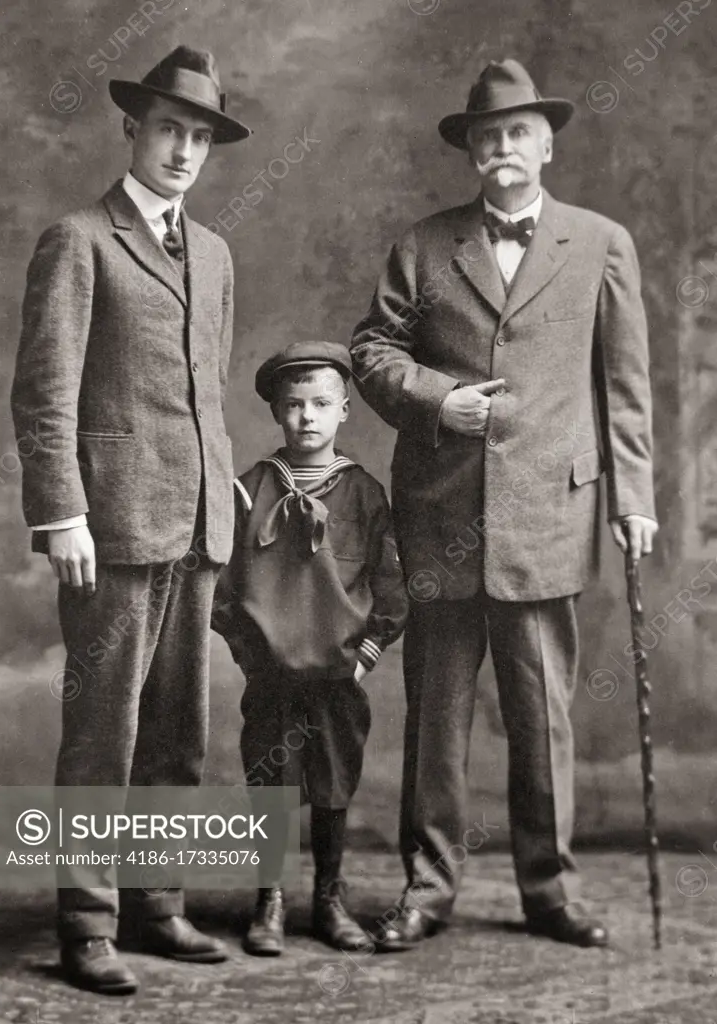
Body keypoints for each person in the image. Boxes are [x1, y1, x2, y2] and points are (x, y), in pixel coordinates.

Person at [350, 58, 658, 952]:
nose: (499, 148)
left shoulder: (600, 241)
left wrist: (631, 497)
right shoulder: (423, 243)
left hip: (548, 521)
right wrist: (435, 399)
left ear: (546, 143)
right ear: (470, 151)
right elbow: (370, 350)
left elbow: (625, 387)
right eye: (485, 136)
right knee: (437, 723)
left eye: (515, 132)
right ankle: (427, 887)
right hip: (441, 517)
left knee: (540, 719)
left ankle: (550, 892)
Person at [11, 46, 251, 995]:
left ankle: (158, 906)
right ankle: (86, 923)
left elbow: (207, 393)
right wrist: (60, 510)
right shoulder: (79, 239)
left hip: (193, 526)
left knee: (177, 734)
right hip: (107, 526)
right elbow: (43, 394)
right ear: (132, 131)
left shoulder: (218, 253)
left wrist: (220, 482)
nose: (184, 150)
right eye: (168, 130)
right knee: (102, 733)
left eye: (199, 136)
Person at [211, 341, 408, 957]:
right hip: (272, 679)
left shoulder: (365, 495)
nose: (307, 417)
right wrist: (251, 655)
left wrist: (366, 653)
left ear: (345, 410)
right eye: (293, 405)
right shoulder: (248, 492)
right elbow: (217, 590)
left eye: (322, 403)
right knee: (271, 788)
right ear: (276, 412)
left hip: (337, 679)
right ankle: (269, 901)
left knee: (332, 787)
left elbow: (394, 590)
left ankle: (329, 898)